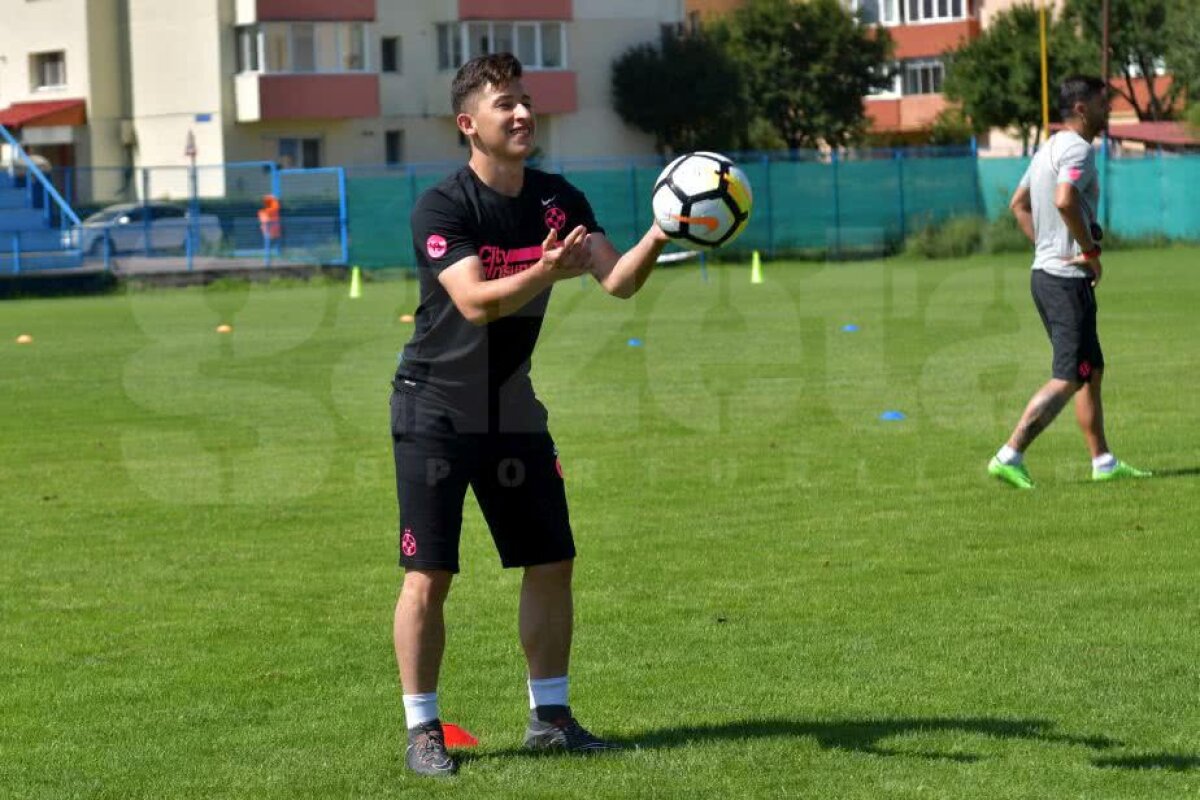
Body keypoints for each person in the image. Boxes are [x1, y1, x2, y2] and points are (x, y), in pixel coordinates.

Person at [390, 52, 670, 777]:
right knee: (431, 575)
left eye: (525, 101)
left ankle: (552, 718)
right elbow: (476, 301)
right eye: (505, 104)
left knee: (552, 559)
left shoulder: (558, 198)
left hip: (513, 410)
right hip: (436, 410)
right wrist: (545, 270)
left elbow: (617, 281)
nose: (522, 114)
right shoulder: (443, 206)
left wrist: (667, 228)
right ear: (468, 124)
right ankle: (424, 730)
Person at [988, 75, 1150, 489]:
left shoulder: (1050, 147)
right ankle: (1010, 453)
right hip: (1063, 280)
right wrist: (1089, 252)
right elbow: (1063, 200)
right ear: (1081, 108)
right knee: (1070, 375)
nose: (1107, 109)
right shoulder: (1078, 148)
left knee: (1090, 369)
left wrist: (1047, 247)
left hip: (1048, 274)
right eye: (1102, 102)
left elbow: (1018, 204)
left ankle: (1104, 462)